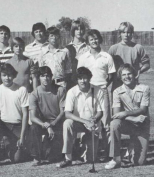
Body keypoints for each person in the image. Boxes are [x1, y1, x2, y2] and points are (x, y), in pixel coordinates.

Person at [77, 29, 116, 160]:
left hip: (102, 91)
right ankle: (88, 151)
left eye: (96, 38)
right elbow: (79, 75)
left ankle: (108, 153)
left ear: (100, 39)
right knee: (88, 120)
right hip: (87, 92)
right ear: (88, 42)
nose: (94, 41)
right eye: (91, 39)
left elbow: (111, 75)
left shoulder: (107, 56)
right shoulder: (83, 57)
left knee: (105, 123)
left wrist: (103, 86)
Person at [105, 64, 150, 169]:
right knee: (114, 124)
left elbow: (143, 109)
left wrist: (125, 113)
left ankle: (131, 148)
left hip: (142, 125)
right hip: (128, 123)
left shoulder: (144, 88)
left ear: (134, 75)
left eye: (129, 74)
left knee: (139, 162)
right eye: (123, 75)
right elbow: (116, 114)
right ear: (120, 77)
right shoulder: (117, 91)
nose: (127, 77)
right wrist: (133, 118)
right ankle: (115, 158)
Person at [57, 67, 104, 168]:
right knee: (67, 123)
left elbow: (100, 112)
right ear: (77, 80)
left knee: (91, 159)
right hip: (78, 123)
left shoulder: (98, 90)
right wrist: (85, 122)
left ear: (89, 78)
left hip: (93, 125)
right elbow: (67, 114)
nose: (83, 81)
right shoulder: (71, 92)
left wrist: (94, 119)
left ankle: (84, 143)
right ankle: (68, 158)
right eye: (80, 78)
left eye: (85, 78)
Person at [0, 63, 29, 168]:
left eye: (9, 75)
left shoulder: (21, 90)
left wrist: (22, 137)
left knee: (17, 159)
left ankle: (6, 146)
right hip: (4, 126)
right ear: (0, 76)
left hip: (18, 126)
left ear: (14, 76)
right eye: (4, 75)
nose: (7, 78)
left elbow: (25, 114)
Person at [29, 66, 66, 165]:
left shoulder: (60, 90)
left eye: (48, 76)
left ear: (52, 77)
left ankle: (50, 146)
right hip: (44, 123)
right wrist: (46, 125)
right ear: (38, 78)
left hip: (57, 122)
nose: (45, 78)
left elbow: (63, 112)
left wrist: (53, 124)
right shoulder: (34, 94)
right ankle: (36, 157)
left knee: (53, 158)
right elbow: (32, 117)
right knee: (33, 127)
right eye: (42, 76)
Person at [108, 22, 150, 91]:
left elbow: (147, 64)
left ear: (132, 34)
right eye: (123, 32)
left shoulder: (138, 48)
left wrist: (139, 71)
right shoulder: (113, 48)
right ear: (120, 34)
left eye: (128, 32)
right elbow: (107, 66)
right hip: (117, 85)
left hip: (133, 84)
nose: (126, 35)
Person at [65, 20, 90, 89]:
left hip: (85, 80)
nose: (79, 31)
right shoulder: (67, 48)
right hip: (71, 81)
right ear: (73, 31)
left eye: (81, 29)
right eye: (76, 29)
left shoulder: (88, 47)